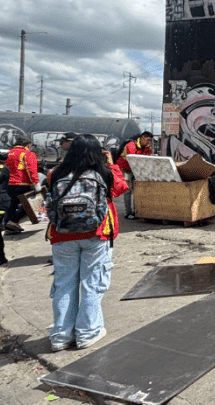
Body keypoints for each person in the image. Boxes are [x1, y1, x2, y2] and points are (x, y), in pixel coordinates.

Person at [45, 134, 127, 351]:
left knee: (64, 284)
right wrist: (112, 165)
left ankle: (60, 336)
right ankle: (88, 332)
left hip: (62, 235)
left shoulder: (55, 174)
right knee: (92, 283)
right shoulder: (103, 173)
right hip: (96, 234)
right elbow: (120, 188)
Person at [115, 131, 153, 220]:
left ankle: (136, 211)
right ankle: (127, 213)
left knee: (137, 190)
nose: (149, 142)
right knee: (128, 191)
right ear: (142, 138)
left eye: (150, 140)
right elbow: (133, 161)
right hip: (126, 169)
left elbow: (147, 159)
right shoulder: (130, 146)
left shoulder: (147, 148)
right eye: (148, 140)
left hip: (136, 169)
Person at [5, 136, 39, 234]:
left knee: (11, 206)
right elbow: (31, 170)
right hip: (23, 183)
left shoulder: (7, 154)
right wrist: (35, 183)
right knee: (31, 204)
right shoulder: (28, 154)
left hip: (9, 184)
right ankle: (14, 221)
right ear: (28, 145)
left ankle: (9, 228)